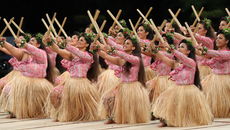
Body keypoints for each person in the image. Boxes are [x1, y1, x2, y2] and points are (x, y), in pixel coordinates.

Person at [152, 39, 213, 127]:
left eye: (182, 47)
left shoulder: (191, 62)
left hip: (188, 89)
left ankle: (186, 120)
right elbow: (163, 57)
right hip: (177, 88)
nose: (179, 48)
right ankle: (166, 120)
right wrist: (154, 50)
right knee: (164, 99)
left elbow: (183, 58)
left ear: (188, 51)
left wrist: (172, 49)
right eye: (179, 46)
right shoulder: (177, 63)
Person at [44, 33, 100, 122]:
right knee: (54, 93)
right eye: (79, 39)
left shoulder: (88, 56)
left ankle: (81, 115)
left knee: (80, 103)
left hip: (81, 83)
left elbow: (78, 52)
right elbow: (58, 50)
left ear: (87, 45)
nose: (78, 41)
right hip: (70, 82)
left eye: (81, 40)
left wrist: (64, 43)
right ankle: (60, 113)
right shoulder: (72, 55)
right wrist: (51, 42)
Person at [94, 36, 150, 124]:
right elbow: (105, 55)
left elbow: (125, 56)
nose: (124, 45)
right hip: (122, 85)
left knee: (129, 105)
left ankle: (128, 117)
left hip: (133, 87)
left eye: (127, 43)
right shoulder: (121, 60)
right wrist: (96, 50)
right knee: (107, 98)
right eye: (124, 43)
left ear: (133, 47)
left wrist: (112, 49)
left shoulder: (136, 59)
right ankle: (112, 116)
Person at [0, 33, 53, 118]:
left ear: (38, 44)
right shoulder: (25, 53)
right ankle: (15, 110)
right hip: (24, 80)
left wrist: (24, 43)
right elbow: (13, 49)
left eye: (33, 40)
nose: (30, 42)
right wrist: (4, 42)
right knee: (7, 89)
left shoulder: (41, 53)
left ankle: (33, 111)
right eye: (30, 40)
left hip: (37, 83)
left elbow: (33, 50)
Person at [200, 28, 230, 117]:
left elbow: (218, 55)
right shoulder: (216, 52)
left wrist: (205, 50)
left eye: (220, 38)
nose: (217, 40)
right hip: (213, 79)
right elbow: (207, 55)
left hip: (225, 80)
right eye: (217, 38)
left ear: (227, 41)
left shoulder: (228, 53)